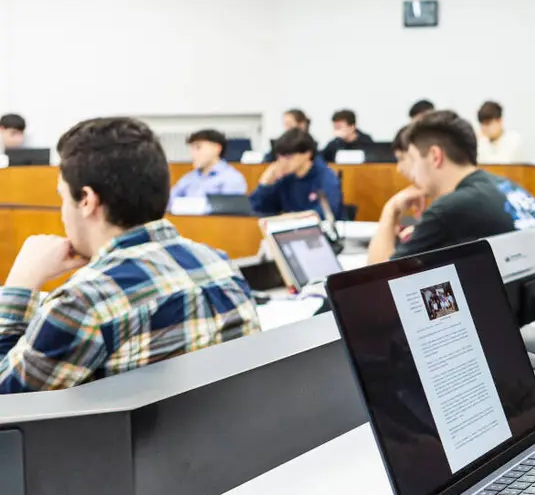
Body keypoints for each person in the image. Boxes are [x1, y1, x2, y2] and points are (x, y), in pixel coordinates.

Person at [0, 117, 260, 394]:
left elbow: (7, 402)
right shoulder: (220, 265)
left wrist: (20, 285)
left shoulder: (82, 304)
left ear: (87, 200)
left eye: (63, 196)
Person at [368, 110, 535, 264]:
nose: (412, 172)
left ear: (435, 156)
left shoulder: (450, 207)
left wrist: (390, 210)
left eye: (414, 160)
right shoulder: (506, 186)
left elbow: (376, 278)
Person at [249, 128, 343, 221]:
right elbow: (260, 208)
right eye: (279, 157)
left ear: (307, 154)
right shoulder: (286, 178)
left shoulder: (326, 176)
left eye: (288, 157)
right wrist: (265, 184)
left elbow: (327, 213)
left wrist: (292, 217)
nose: (283, 162)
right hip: (292, 232)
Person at [169, 129, 248, 206]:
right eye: (191, 149)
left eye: (198, 148)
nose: (193, 154)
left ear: (217, 148)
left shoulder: (232, 178)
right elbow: (168, 203)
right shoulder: (189, 178)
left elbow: (229, 210)